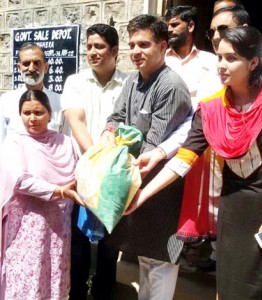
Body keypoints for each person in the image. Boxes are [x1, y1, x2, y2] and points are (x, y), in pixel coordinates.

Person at [128, 26, 262, 299]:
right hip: (233, 207)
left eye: (231, 58)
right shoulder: (212, 109)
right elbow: (185, 156)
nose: (221, 65)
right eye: (219, 57)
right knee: (231, 285)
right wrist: (142, 195)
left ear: (253, 62)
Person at [101, 14, 192, 300]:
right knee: (144, 260)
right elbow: (115, 116)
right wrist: (108, 132)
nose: (136, 51)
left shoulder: (171, 86)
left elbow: (155, 143)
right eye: (132, 44)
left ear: (163, 46)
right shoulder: (131, 81)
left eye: (144, 44)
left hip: (159, 188)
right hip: (134, 181)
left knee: (161, 264)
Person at [61, 23, 128, 300]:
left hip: (115, 176)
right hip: (81, 172)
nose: (92, 52)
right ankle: (77, 293)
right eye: (88, 46)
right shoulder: (75, 81)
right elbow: (76, 123)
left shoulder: (129, 83)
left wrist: (107, 169)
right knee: (78, 239)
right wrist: (95, 165)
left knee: (111, 242)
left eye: (99, 46)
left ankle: (103, 292)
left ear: (114, 51)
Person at [0, 89, 83, 300]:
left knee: (53, 273)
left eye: (38, 112)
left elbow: (82, 172)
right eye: (26, 113)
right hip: (26, 226)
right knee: (26, 277)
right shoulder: (14, 142)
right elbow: (20, 181)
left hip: (58, 225)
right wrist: (59, 190)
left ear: (50, 114)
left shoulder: (66, 143)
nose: (32, 118)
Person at [0, 42, 64, 139]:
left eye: (36, 63)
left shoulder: (60, 102)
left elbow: (65, 142)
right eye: (26, 63)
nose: (31, 68)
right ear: (19, 68)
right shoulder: (6, 101)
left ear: (46, 67)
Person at [164, 5, 216, 109]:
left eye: (174, 25)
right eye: (167, 26)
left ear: (191, 26)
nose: (169, 30)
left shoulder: (210, 61)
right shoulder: (160, 60)